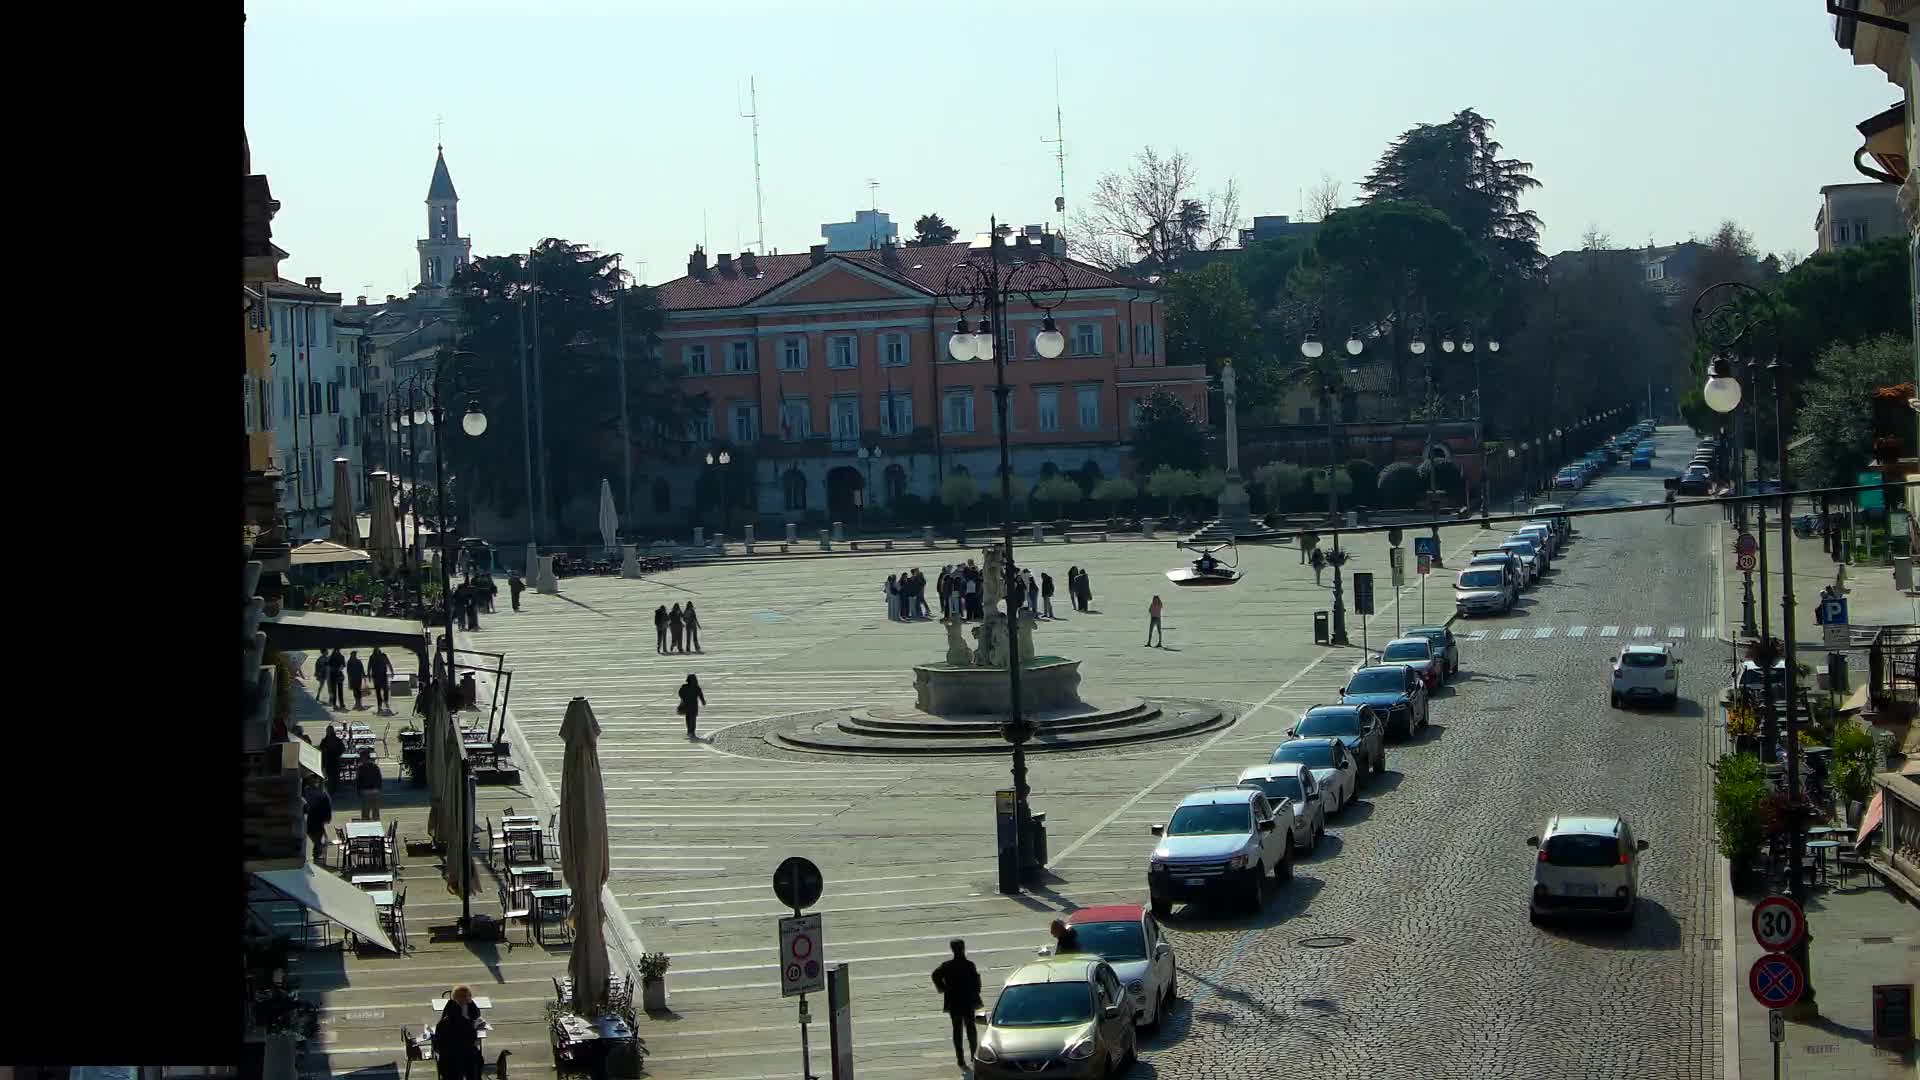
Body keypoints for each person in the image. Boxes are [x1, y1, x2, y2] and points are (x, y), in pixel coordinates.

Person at [931, 939, 983, 1071]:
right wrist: (975, 994)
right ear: (963, 948)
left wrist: (942, 988)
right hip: (967, 1001)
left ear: (952, 949)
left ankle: (960, 1059)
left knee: (957, 1030)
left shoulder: (946, 965)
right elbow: (977, 983)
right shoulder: (969, 965)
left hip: (954, 1001)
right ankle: (973, 1056)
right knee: (971, 1028)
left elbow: (935, 975)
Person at [434, 989, 482, 1080]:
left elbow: (438, 1044)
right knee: (477, 1060)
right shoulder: (467, 1025)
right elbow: (473, 1040)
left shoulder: (442, 1023)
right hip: (463, 1058)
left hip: (447, 1061)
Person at [305, 780, 333, 864]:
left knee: (317, 841)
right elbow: (327, 808)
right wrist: (327, 818)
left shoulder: (312, 794)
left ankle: (317, 858)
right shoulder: (323, 796)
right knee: (318, 841)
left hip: (313, 822)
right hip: (316, 822)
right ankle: (318, 858)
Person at [355, 748, 383, 821]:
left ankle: (366, 825)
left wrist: (358, 791)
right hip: (375, 791)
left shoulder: (361, 768)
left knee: (365, 813)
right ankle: (377, 826)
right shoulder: (375, 766)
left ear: (364, 757)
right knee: (376, 812)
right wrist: (378, 788)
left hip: (365, 791)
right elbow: (379, 779)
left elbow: (358, 781)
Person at [677, 673, 706, 740]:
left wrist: (684, 698)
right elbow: (700, 695)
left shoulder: (684, 687)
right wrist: (703, 701)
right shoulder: (696, 687)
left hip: (686, 704)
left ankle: (689, 731)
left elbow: (680, 693)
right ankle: (692, 732)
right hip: (693, 706)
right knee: (693, 719)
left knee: (688, 718)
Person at [319, 725, 347, 791]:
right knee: (333, 776)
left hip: (331, 761)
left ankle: (332, 788)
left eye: (328, 731)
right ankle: (333, 788)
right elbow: (343, 749)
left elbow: (321, 749)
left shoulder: (327, 740)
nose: (328, 732)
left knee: (332, 776)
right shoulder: (328, 740)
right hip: (332, 761)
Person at [369, 648, 393, 714]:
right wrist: (369, 675)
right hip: (376, 676)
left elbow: (388, 663)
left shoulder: (383, 656)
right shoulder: (372, 657)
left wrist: (392, 671)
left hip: (382, 675)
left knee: (384, 690)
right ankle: (380, 705)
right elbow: (369, 666)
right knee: (379, 692)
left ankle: (385, 702)